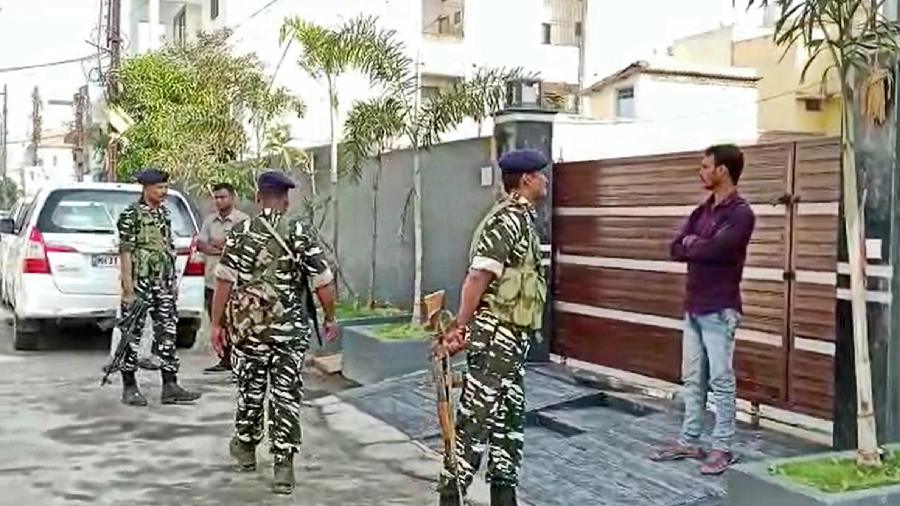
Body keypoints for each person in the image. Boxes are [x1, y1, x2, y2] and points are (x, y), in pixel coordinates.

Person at [209, 170, 338, 495]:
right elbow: (323, 282)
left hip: (249, 330)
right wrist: (330, 317)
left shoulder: (241, 232)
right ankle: (283, 466)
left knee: (250, 389)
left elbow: (223, 281)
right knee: (285, 394)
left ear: (257, 197)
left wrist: (216, 324)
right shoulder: (299, 231)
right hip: (289, 333)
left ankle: (245, 447)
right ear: (286, 199)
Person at [436, 149, 549, 506]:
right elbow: (478, 276)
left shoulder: (523, 219)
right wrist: (460, 326)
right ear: (527, 179)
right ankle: (450, 498)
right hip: (496, 338)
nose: (545, 180)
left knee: (508, 424)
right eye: (541, 174)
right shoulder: (507, 221)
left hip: (511, 341)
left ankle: (504, 496)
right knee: (474, 423)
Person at [649, 144, 756, 475]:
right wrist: (696, 245)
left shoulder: (741, 214)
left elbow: (718, 250)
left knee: (721, 381)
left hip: (720, 309)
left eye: (706, 166)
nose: (701, 171)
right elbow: (675, 248)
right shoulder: (702, 211)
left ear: (722, 170)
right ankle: (690, 440)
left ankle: (722, 448)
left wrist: (694, 245)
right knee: (692, 378)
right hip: (694, 307)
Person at [116, 168, 202, 407]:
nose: (164, 192)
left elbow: (167, 248)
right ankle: (130, 387)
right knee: (132, 334)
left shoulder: (164, 213)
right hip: (140, 283)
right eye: (159, 188)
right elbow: (125, 252)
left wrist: (172, 283)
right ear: (146, 188)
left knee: (167, 332)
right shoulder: (130, 215)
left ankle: (170, 385)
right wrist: (128, 290)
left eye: (165, 187)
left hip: (162, 282)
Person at [197, 182, 249, 373]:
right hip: (213, 280)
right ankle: (225, 359)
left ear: (232, 198)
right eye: (216, 197)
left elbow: (245, 247)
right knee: (218, 320)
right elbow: (201, 244)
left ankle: (240, 361)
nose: (219, 201)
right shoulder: (210, 221)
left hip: (237, 282)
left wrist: (221, 246)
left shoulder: (243, 220)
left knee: (238, 322)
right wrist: (224, 248)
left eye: (223, 197)